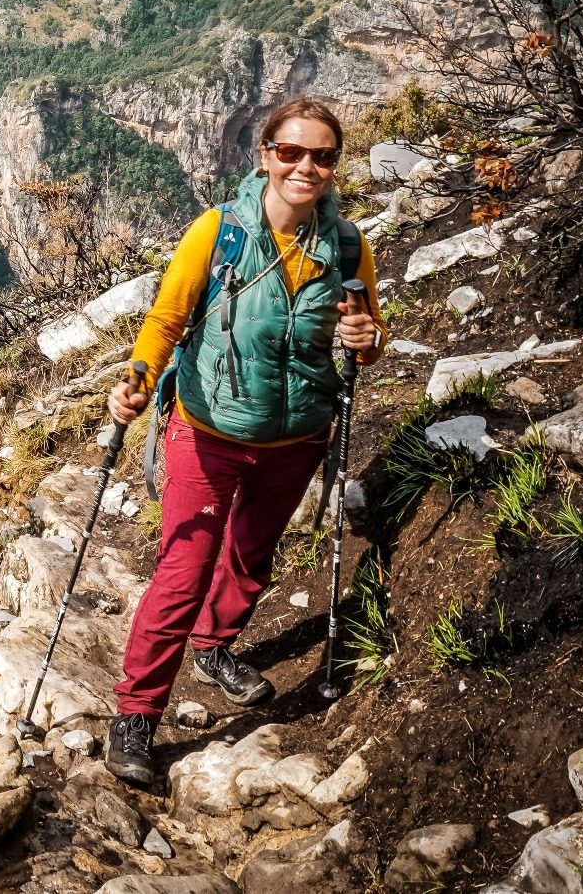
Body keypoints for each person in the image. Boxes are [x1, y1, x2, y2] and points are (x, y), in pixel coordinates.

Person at [102, 97, 384, 788]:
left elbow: (367, 337)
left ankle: (217, 645)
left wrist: (368, 339)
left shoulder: (346, 245)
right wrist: (136, 379)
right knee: (182, 571)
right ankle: (137, 713)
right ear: (265, 156)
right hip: (207, 431)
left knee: (252, 555)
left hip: (297, 435)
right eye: (291, 152)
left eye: (322, 155)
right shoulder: (219, 232)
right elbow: (167, 319)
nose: (306, 167)